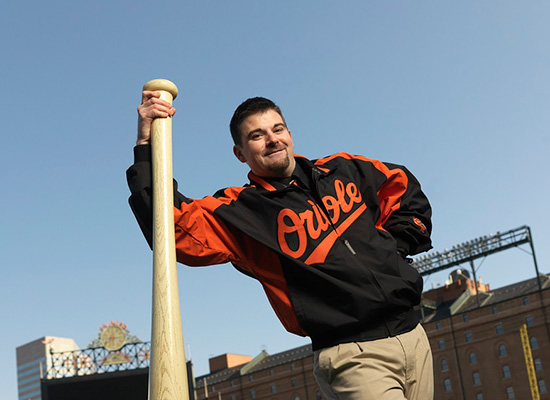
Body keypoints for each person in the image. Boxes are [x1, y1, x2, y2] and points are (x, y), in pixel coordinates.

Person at [127, 91, 434, 400]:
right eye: (257, 136)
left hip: (414, 335)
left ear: (290, 134)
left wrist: (393, 251)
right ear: (240, 153)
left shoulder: (343, 169)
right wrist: (145, 145)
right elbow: (170, 225)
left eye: (277, 129)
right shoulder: (241, 210)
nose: (272, 140)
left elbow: (403, 187)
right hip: (353, 355)